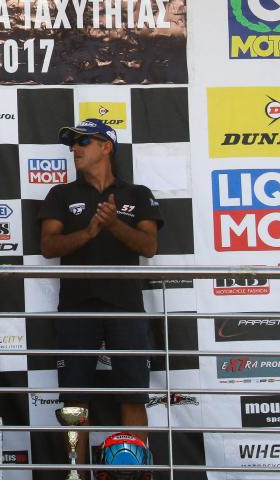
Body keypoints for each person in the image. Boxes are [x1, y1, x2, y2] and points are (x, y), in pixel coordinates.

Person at [38, 119, 162, 471]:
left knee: (133, 397)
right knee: (74, 402)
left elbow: (149, 246)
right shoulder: (61, 194)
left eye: (83, 142)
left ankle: (135, 476)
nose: (74, 149)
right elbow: (48, 246)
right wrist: (89, 232)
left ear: (106, 147)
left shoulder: (137, 194)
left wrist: (113, 224)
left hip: (126, 306)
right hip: (77, 307)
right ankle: (76, 475)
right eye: (72, 144)